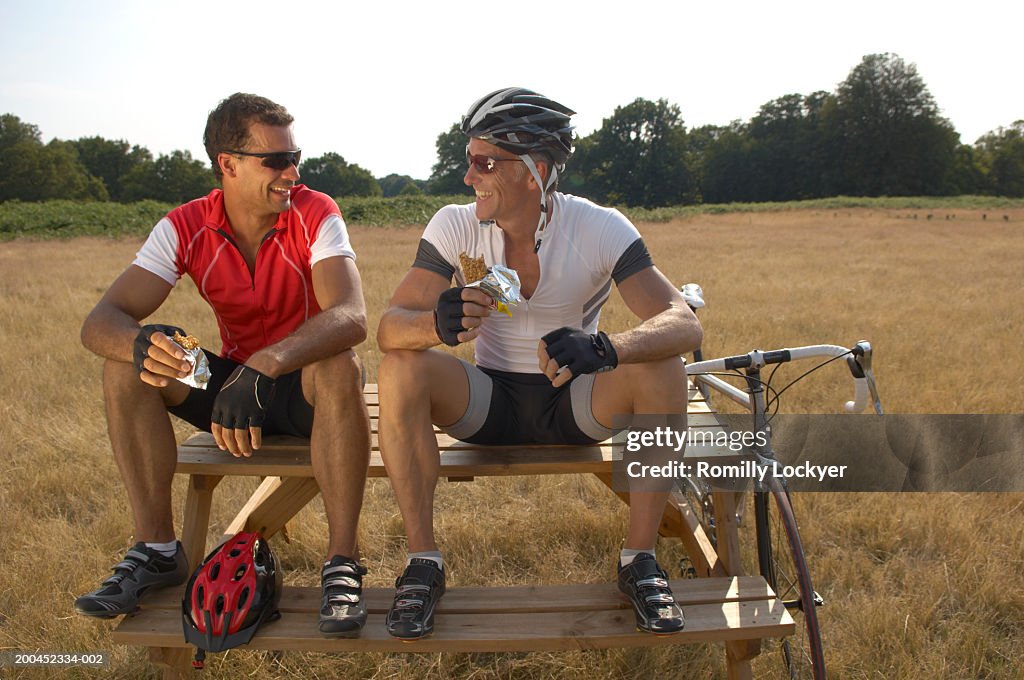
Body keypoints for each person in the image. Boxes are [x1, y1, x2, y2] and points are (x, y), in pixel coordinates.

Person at [375, 87, 704, 640]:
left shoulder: (598, 226)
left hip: (574, 399)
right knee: (400, 366)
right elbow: (389, 327)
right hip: (488, 403)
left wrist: (607, 348)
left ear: (535, 171)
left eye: (484, 163)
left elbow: (683, 321)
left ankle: (640, 562)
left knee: (663, 365)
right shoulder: (455, 225)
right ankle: (423, 563)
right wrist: (436, 323)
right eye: (469, 161)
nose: (468, 177)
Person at [76, 93, 371, 638]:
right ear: (228, 164)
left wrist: (266, 362)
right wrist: (143, 345)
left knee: (340, 366)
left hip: (303, 387)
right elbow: (101, 322)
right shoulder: (185, 225)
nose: (292, 171)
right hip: (233, 386)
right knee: (126, 367)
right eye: (276, 160)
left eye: (295, 155)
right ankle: (158, 549)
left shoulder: (315, 210)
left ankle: (342, 565)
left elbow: (352, 317)